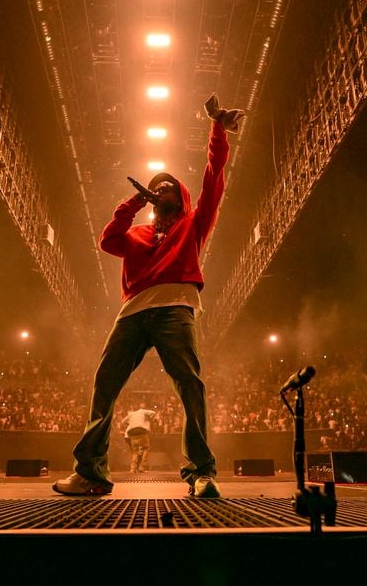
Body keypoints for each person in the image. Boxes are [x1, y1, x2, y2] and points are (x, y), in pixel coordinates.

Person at [53, 94, 244, 498]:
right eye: (155, 187)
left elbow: (214, 175)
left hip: (175, 307)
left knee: (189, 385)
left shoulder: (193, 224)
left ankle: (202, 471)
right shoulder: (137, 234)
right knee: (105, 382)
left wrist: (217, 130)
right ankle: (91, 473)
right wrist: (133, 202)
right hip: (132, 312)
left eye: (168, 185)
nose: (161, 189)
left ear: (181, 196)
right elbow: (107, 241)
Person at [123, 407, 157, 473]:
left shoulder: (131, 414)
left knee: (135, 451)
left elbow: (122, 421)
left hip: (131, 434)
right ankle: (141, 466)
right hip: (140, 431)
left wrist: (129, 423)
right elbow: (153, 412)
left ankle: (132, 468)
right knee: (146, 448)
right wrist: (151, 418)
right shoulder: (142, 411)